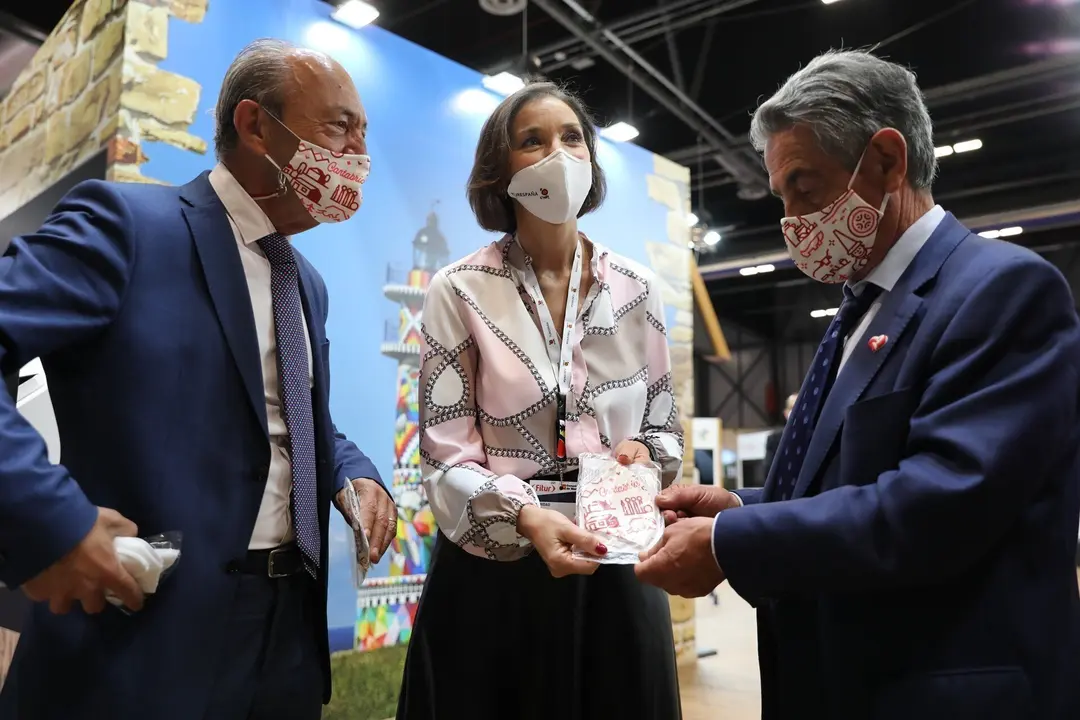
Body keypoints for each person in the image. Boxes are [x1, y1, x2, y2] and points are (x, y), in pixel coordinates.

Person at [636, 49, 1080, 720]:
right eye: (781, 195)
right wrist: (741, 507)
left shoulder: (1001, 291)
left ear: (886, 161)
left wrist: (733, 546)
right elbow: (847, 483)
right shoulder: (861, 310)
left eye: (805, 186)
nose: (790, 220)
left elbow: (939, 504)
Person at [0, 39, 397, 720]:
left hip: (288, 640)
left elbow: (294, 417)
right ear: (254, 125)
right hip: (144, 637)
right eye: (340, 126)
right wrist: (50, 521)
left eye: (364, 131)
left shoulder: (308, 283)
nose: (359, 151)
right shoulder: (125, 226)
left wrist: (352, 471)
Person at [396, 82, 683, 719]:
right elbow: (444, 456)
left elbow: (665, 430)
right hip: (497, 568)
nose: (559, 153)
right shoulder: (459, 289)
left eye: (572, 136)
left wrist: (643, 452)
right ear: (499, 171)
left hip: (615, 559)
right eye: (534, 140)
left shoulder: (639, 289)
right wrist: (525, 516)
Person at [761, 392, 797, 483]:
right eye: (793, 407)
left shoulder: (817, 437)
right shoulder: (774, 439)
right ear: (786, 413)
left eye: (800, 407)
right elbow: (768, 471)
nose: (797, 411)